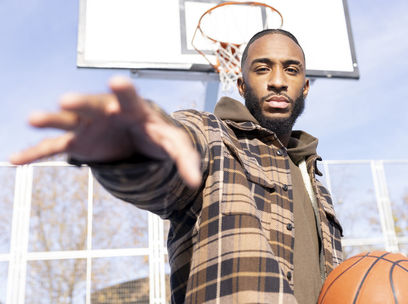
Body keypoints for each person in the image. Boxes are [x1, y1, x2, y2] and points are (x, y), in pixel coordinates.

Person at [11, 29, 343, 304]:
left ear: (305, 85)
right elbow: (176, 151)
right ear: (241, 86)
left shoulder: (315, 182)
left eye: (291, 69)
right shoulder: (214, 136)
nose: (277, 81)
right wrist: (133, 150)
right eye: (262, 68)